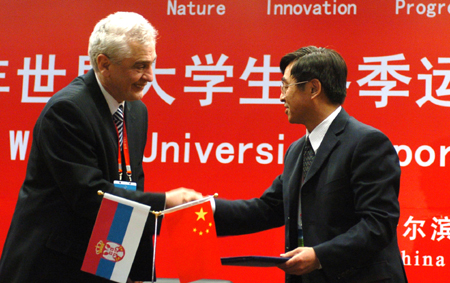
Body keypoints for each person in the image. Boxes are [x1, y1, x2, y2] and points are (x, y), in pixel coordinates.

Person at [0, 12, 202, 283]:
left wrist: (137, 271)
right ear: (104, 64)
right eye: (140, 66)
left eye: (152, 64)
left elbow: (130, 186)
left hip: (102, 264)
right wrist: (165, 202)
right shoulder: (68, 110)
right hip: (52, 266)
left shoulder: (136, 110)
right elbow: (90, 196)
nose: (150, 77)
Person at [214, 46, 408, 283]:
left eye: (286, 86)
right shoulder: (296, 151)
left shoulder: (367, 143)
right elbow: (267, 209)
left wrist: (319, 256)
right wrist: (205, 209)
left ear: (314, 88)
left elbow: (378, 223)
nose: (281, 96)